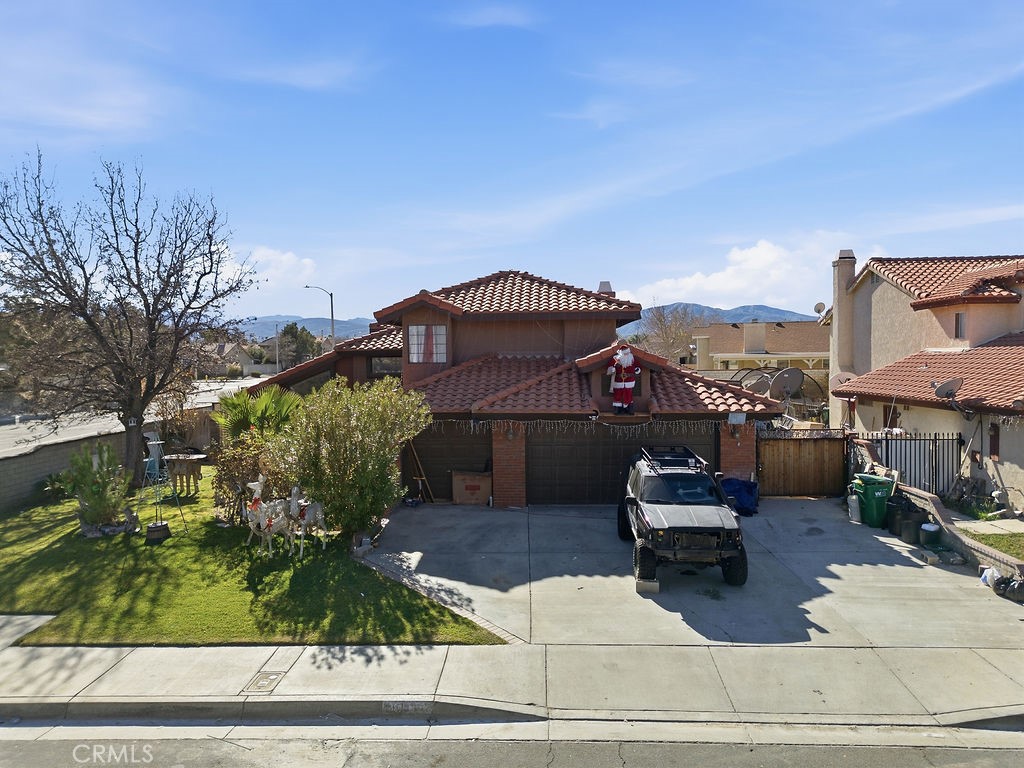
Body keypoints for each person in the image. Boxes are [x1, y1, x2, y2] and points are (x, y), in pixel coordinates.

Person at [607, 344, 641, 414]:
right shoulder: (615, 359)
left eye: (627, 353)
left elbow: (638, 366)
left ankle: (629, 408)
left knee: (628, 394)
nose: (626, 355)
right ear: (621, 353)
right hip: (618, 381)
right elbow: (609, 368)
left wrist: (637, 370)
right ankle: (617, 409)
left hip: (629, 381)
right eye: (625, 353)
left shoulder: (632, 359)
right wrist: (614, 368)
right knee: (617, 394)